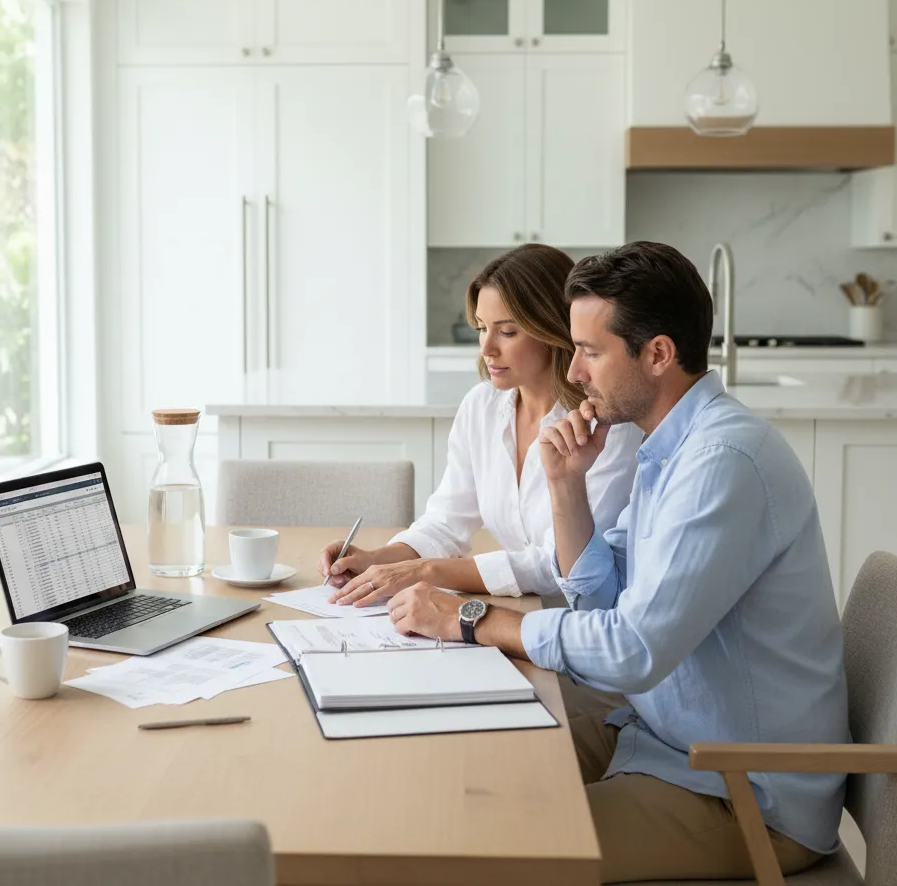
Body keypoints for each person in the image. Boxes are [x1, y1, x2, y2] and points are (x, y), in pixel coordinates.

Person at [385, 241, 847, 882]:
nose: (573, 373)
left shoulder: (723, 463)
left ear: (657, 354)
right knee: (465, 768)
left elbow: (632, 649)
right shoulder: (671, 450)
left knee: (488, 846)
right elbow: (603, 599)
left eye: (591, 352)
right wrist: (567, 486)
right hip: (657, 734)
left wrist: (471, 618)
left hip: (740, 788)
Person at [317, 243, 642, 608]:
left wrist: (425, 572)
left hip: (584, 624)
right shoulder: (481, 407)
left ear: (553, 328)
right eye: (481, 328)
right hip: (516, 610)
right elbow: (445, 521)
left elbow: (559, 562)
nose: (486, 348)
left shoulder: (606, 428)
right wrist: (380, 559)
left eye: (507, 332)